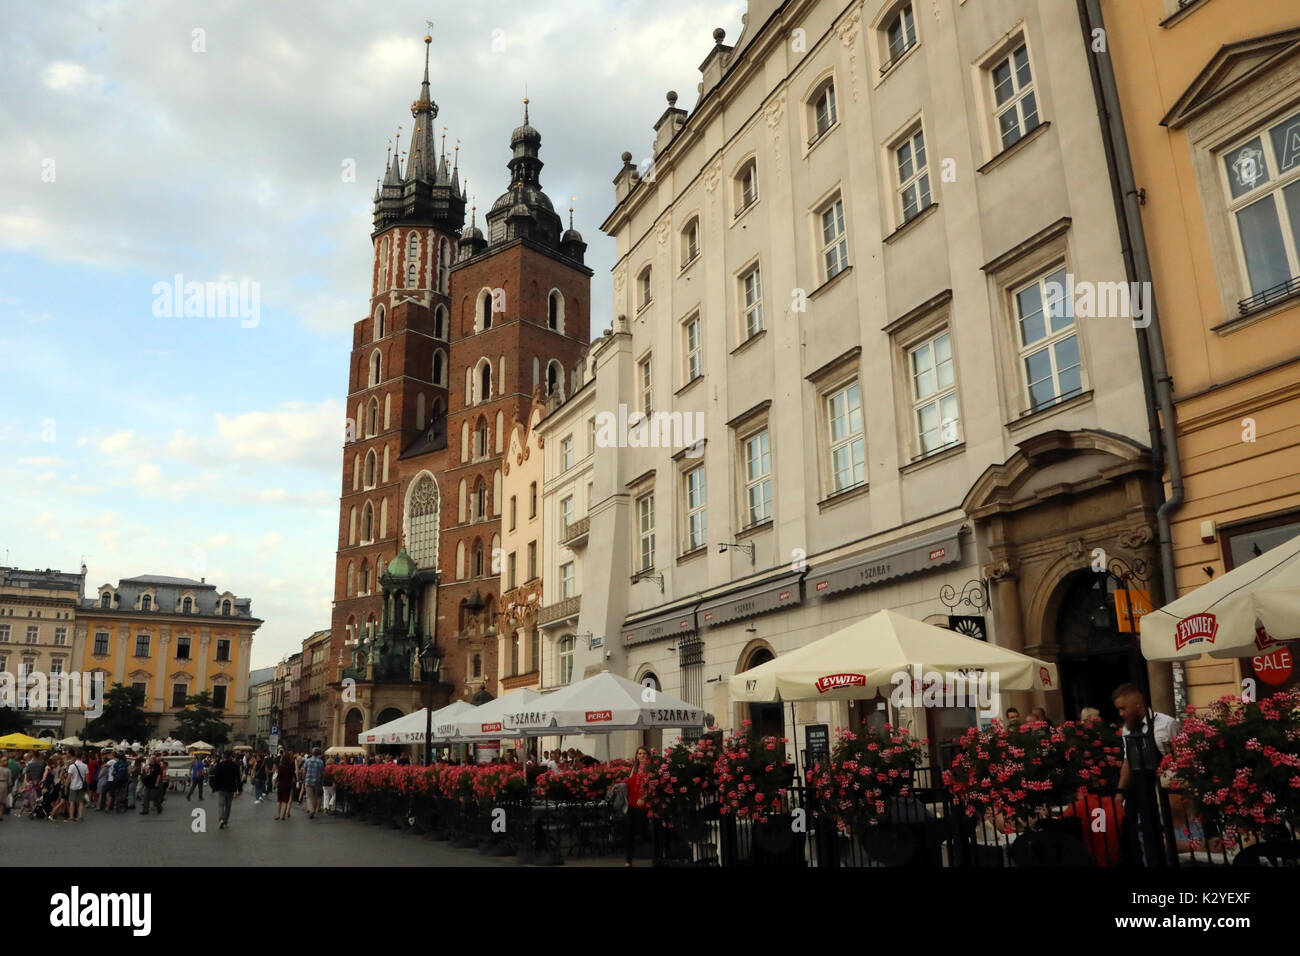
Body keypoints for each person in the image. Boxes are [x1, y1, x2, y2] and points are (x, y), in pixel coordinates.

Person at [1113, 682, 1179, 866]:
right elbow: (1128, 761)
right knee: (1139, 832)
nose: (1121, 714)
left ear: (1138, 705)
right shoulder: (1127, 728)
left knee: (1164, 833)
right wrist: (1120, 792)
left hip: (1162, 789)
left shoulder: (1167, 724)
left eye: (1123, 708)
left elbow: (1179, 758)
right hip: (1138, 788)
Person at [624, 746, 652, 867]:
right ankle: (628, 860)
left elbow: (651, 784)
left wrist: (644, 797)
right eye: (639, 753)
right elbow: (629, 783)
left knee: (643, 832)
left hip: (643, 804)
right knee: (629, 832)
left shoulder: (650, 768)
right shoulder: (634, 768)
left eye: (643, 753)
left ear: (647, 755)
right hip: (631, 804)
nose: (641, 755)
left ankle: (653, 854)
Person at [210, 751, 242, 829]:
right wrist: (240, 789)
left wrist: (214, 787)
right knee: (228, 806)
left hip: (221, 788)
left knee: (221, 804)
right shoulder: (234, 766)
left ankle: (221, 819)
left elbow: (216, 777)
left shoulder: (220, 765)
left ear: (224, 757)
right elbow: (238, 778)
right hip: (231, 788)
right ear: (231, 756)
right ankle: (225, 821)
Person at [65, 750, 89, 822]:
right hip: (81, 786)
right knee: (81, 802)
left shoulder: (72, 766)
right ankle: (80, 815)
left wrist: (66, 786)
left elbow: (69, 777)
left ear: (75, 756)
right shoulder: (85, 766)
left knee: (72, 801)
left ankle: (71, 816)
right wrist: (87, 786)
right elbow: (87, 778)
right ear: (82, 756)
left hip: (73, 786)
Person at [302, 748, 325, 819]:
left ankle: (311, 810)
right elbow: (322, 773)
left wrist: (303, 779)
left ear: (312, 753)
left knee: (309, 797)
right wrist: (321, 781)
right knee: (315, 796)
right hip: (317, 781)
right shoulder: (320, 762)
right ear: (318, 754)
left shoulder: (307, 761)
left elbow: (304, 771)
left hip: (308, 780)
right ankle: (313, 810)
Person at [275, 752, 296, 820]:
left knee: (279, 800)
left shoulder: (280, 767)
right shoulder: (290, 767)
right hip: (288, 784)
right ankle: (283, 816)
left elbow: (278, 776)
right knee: (285, 800)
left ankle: (278, 815)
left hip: (280, 784)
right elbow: (292, 776)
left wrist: (276, 782)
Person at [0, 755, 10, 822]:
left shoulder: (8, 770)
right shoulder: (8, 770)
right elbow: (10, 781)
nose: (5, 762)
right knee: (2, 802)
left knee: (2, 802)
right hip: (4, 784)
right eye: (4, 760)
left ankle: (0, 815)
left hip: (3, 784)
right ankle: (0, 815)